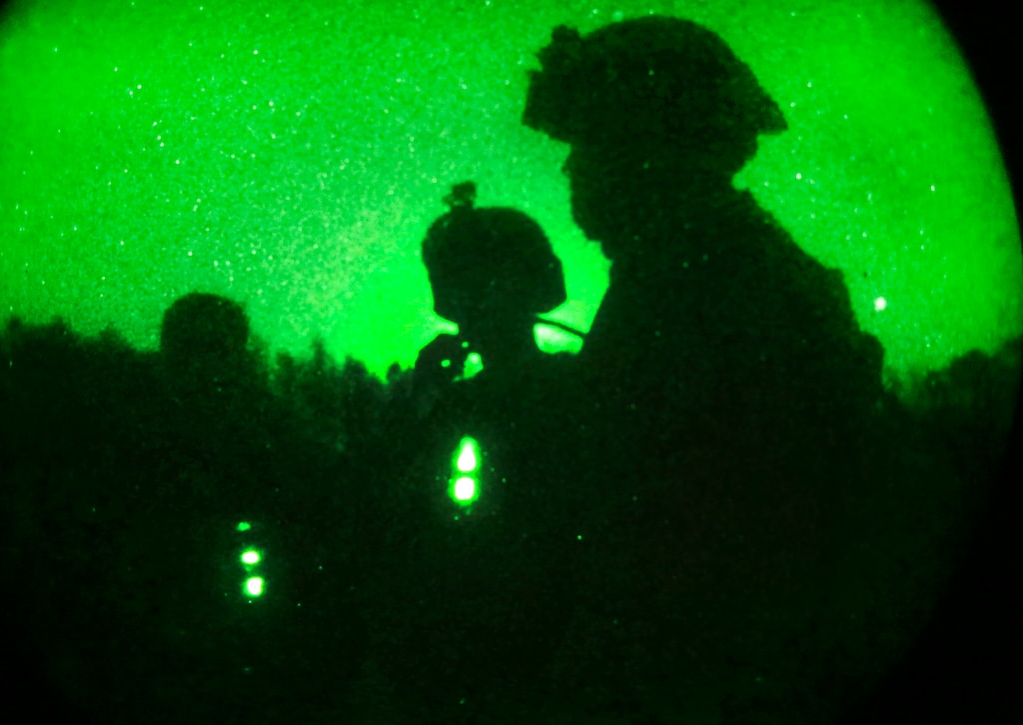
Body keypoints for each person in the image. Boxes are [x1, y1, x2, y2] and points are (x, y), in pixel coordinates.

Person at [521, 17, 895, 721]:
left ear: (647, 144)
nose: (571, 167)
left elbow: (672, 535)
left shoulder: (709, 283)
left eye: (588, 141)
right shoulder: (694, 266)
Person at [370, 182, 583, 723]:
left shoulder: (575, 389)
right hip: (467, 644)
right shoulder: (443, 401)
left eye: (492, 281)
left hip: (542, 641)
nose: (481, 300)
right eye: (468, 285)